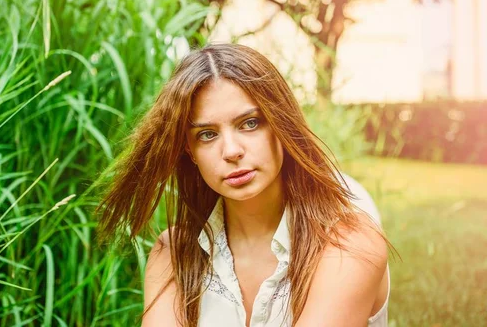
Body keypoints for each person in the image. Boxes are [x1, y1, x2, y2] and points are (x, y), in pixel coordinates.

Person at [97, 43, 390, 327]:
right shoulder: (173, 254)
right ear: (190, 150)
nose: (231, 150)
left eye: (250, 123)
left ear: (282, 124)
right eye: (207, 134)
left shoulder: (348, 245)